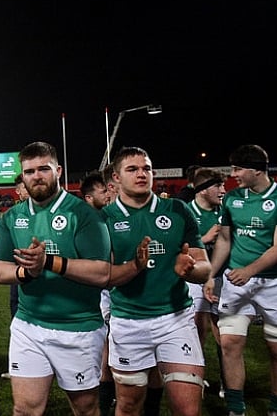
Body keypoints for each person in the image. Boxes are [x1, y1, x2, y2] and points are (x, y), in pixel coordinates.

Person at [0, 142, 111, 416]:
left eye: (43, 169)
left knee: (85, 409)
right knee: (24, 409)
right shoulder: (13, 217)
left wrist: (49, 263)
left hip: (78, 327)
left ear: (57, 170)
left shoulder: (85, 214)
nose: (37, 176)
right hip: (28, 326)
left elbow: (101, 273)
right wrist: (27, 272)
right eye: (30, 171)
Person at [103, 146, 211, 416]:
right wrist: (133, 267)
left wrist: (190, 270)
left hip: (175, 319)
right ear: (116, 178)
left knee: (187, 409)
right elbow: (103, 276)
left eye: (147, 168)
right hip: (128, 321)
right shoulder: (103, 219)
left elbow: (204, 267)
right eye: (133, 169)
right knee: (128, 406)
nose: (142, 174)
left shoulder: (177, 209)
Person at [202, 144, 277, 416]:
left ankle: (275, 406)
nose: (233, 175)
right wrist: (211, 275)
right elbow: (224, 239)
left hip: (272, 283)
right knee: (230, 343)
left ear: (257, 171)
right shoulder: (233, 199)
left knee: (275, 348)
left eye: (238, 169)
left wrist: (250, 270)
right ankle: (236, 408)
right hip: (235, 282)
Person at [185, 167, 227, 398]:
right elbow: (177, 247)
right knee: (197, 330)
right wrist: (205, 238)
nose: (223, 190)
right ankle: (197, 380)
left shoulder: (225, 211)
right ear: (202, 191)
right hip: (194, 279)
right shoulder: (186, 211)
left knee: (224, 332)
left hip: (222, 278)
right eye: (217, 186)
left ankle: (226, 380)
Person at [80, 169, 115, 415]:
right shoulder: (84, 223)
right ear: (89, 198)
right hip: (101, 292)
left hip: (120, 288)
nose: (109, 195)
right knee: (105, 347)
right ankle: (103, 401)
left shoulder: (112, 216)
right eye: (104, 191)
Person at [9, 173, 29, 319]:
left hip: (45, 267)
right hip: (18, 269)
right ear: (18, 191)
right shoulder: (13, 215)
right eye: (24, 187)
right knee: (16, 304)